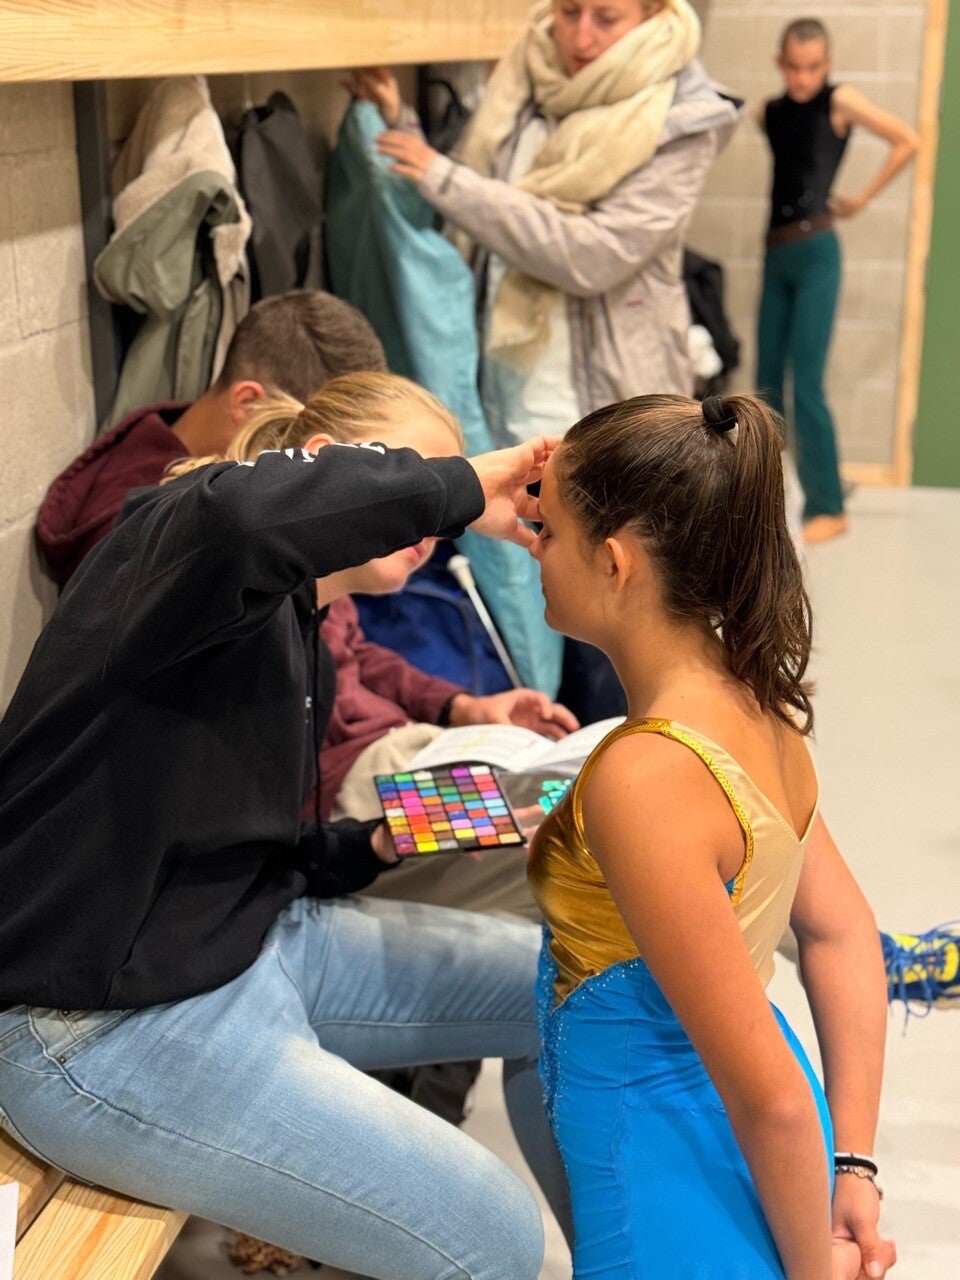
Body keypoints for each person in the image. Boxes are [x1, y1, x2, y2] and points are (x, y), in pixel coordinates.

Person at [0, 428, 573, 1278]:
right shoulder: (193, 553)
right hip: (101, 1018)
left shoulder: (316, 625)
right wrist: (457, 483)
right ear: (326, 460)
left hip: (278, 913)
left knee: (567, 971)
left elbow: (276, 832)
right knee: (496, 1235)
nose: (430, 509)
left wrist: (428, 786)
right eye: (404, 467)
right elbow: (241, 520)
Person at [526, 392, 896, 1278]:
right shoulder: (753, 704)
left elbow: (770, 1099)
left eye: (547, 531)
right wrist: (851, 1163)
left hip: (660, 1170)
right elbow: (842, 932)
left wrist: (814, 1270)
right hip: (751, 1139)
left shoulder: (645, 775)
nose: (531, 546)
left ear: (614, 562)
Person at [350, 0, 739, 724]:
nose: (581, 35)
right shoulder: (528, 80)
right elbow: (481, 194)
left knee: (613, 629)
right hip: (513, 401)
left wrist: (442, 178)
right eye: (568, 10)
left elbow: (591, 253)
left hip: (607, 411)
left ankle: (627, 771)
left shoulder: (685, 115)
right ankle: (561, 763)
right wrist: (402, 128)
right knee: (544, 613)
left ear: (653, 14)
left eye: (606, 17)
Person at [168, 369, 575, 919]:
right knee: (568, 830)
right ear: (324, 463)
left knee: (559, 800)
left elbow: (362, 657)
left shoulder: (329, 598)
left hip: (400, 763)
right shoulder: (240, 589)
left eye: (439, 505)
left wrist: (461, 707)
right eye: (415, 486)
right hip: (355, 796)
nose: (433, 524)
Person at [754, 17, 919, 544]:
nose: (803, 78)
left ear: (827, 64)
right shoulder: (768, 112)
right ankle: (761, 500)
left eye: (814, 67)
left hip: (816, 252)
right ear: (780, 64)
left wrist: (862, 200)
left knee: (807, 382)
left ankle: (827, 502)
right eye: (794, 67)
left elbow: (907, 140)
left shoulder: (839, 101)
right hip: (775, 254)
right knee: (765, 383)